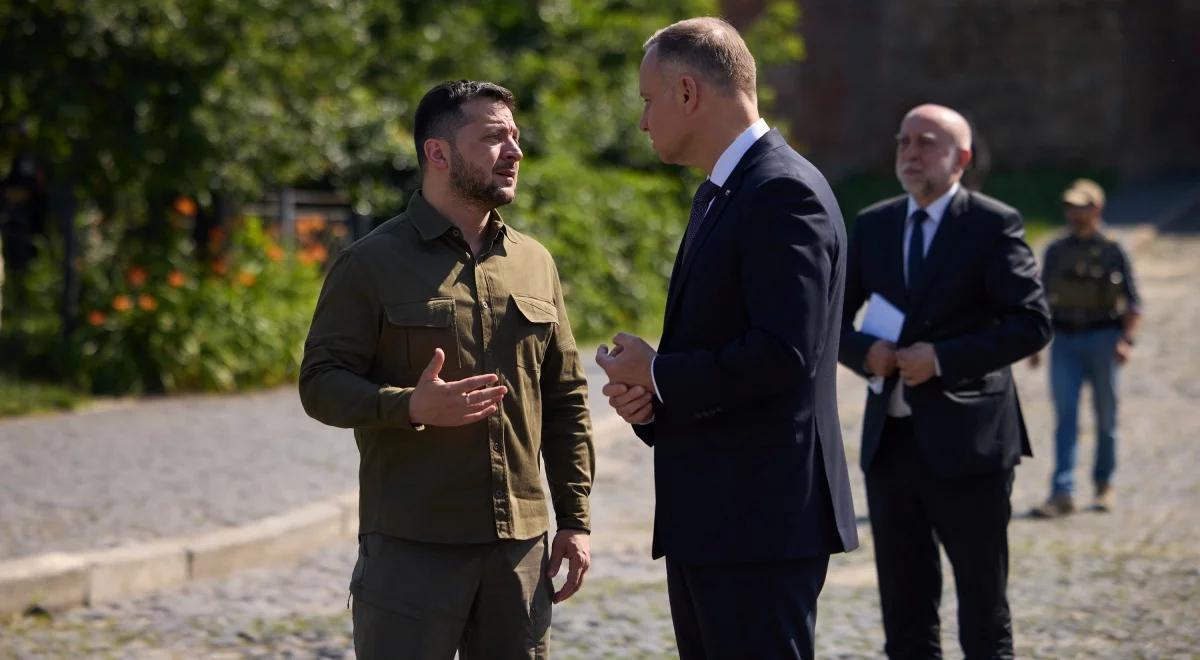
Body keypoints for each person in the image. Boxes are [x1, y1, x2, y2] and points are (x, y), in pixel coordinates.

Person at [299, 80, 595, 660]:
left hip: (519, 552)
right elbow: (320, 383)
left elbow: (566, 397)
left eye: (514, 137)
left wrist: (575, 520)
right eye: (492, 138)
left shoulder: (535, 262)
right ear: (438, 154)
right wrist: (408, 405)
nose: (513, 152)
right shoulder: (370, 263)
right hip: (412, 550)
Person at [594, 17, 858, 659]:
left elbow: (784, 354)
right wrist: (654, 402)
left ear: (687, 93)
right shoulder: (726, 190)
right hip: (717, 521)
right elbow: (731, 346)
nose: (643, 121)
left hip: (759, 527)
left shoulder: (781, 191)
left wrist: (659, 372)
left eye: (648, 100)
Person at [838, 104, 1052, 659]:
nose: (910, 153)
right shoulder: (875, 223)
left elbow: (1032, 323)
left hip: (971, 445)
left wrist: (944, 358)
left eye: (925, 143)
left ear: (961, 159)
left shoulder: (991, 223)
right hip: (891, 446)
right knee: (904, 613)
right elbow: (830, 324)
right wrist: (869, 353)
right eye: (903, 142)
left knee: (982, 609)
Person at [1029, 179, 1141, 518]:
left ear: (1097, 209)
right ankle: (1062, 491)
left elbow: (1134, 302)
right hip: (1064, 340)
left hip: (1103, 337)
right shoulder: (1056, 250)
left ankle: (1104, 483)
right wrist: (1035, 343)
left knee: (1106, 418)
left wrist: (1126, 341)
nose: (1074, 213)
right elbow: (1040, 299)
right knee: (1065, 417)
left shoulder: (1112, 249)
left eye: (1081, 206)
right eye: (1070, 206)